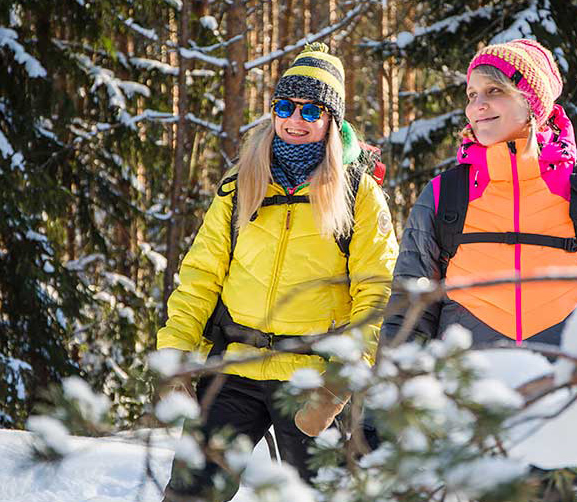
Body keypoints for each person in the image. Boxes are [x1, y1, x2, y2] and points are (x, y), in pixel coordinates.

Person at [156, 42, 398, 501]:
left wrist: (338, 385)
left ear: (332, 120)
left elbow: (377, 291)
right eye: (285, 106)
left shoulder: (358, 193)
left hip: (311, 378)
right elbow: (201, 276)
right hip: (233, 365)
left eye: (311, 111)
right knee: (190, 493)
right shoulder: (241, 182)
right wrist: (174, 358)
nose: (295, 120)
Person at [381, 39, 577, 349]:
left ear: (532, 102)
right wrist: (392, 386)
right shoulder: (445, 194)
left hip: (563, 387)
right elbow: (409, 312)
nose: (477, 105)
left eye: (495, 90)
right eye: (472, 94)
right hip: (469, 389)